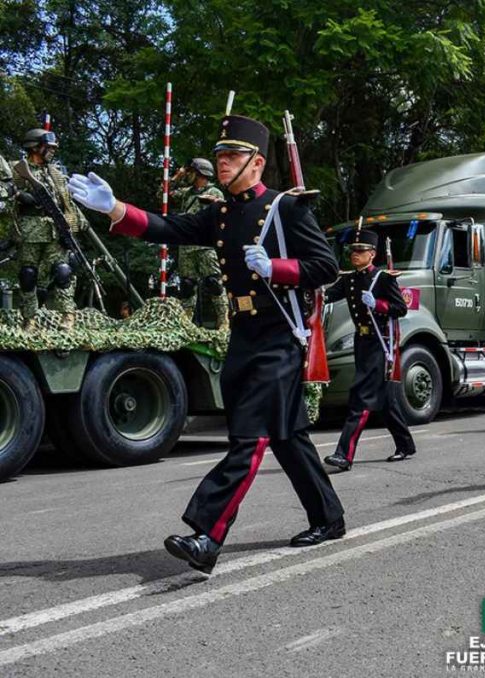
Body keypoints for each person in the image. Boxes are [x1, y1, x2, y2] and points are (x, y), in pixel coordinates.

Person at [68, 114, 345, 573]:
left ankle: (207, 534)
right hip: (242, 335)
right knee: (288, 436)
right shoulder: (218, 214)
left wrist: (278, 268)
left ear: (256, 163)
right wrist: (115, 208)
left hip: (278, 338)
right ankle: (329, 517)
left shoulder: (286, 209)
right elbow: (166, 228)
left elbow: (326, 267)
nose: (222, 162)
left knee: (249, 438)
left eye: (232, 155)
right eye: (219, 155)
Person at [322, 229, 415, 471]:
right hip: (362, 343)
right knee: (385, 400)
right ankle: (406, 445)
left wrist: (379, 304)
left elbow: (400, 308)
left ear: (372, 254)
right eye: (353, 251)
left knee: (360, 398)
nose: (355, 254)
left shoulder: (383, 279)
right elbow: (327, 296)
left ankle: (344, 454)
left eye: (360, 251)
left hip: (380, 342)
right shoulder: (349, 279)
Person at [10, 128, 89, 330]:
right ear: (35, 147)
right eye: (49, 147)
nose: (52, 151)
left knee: (63, 271)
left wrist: (77, 222)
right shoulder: (16, 171)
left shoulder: (56, 173)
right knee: (28, 275)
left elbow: (67, 202)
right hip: (28, 230)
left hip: (55, 230)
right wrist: (18, 196)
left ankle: (68, 315)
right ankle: (29, 318)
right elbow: (4, 194)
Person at [170, 158, 228, 329]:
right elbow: (163, 194)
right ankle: (186, 322)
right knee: (187, 285)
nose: (187, 175)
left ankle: (223, 320)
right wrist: (176, 177)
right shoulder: (187, 193)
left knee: (213, 282)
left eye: (190, 172)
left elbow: (221, 216)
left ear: (199, 174)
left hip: (206, 247)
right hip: (186, 246)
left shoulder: (215, 193)